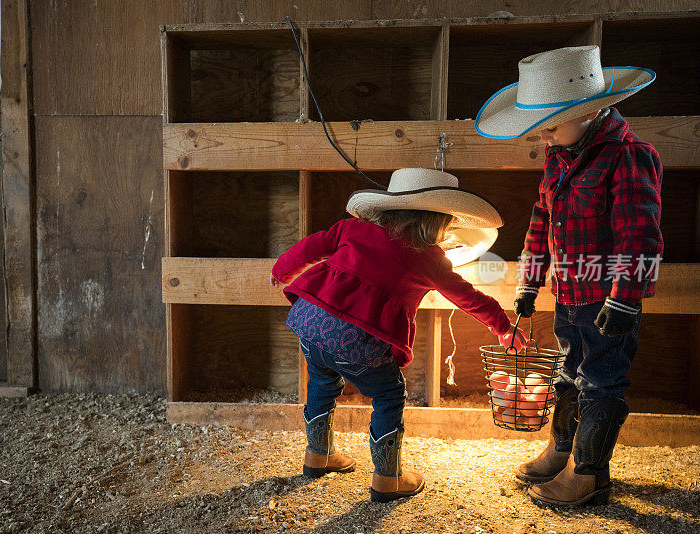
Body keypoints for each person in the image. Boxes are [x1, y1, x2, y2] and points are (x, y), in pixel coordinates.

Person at [475, 45, 662, 506]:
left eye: (553, 125)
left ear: (592, 110)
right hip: (570, 294)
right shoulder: (559, 156)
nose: (546, 136)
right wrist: (528, 284)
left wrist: (623, 301)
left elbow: (639, 236)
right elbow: (542, 223)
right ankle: (562, 450)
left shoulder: (629, 156)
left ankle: (589, 472)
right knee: (569, 373)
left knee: (601, 380)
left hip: (606, 298)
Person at [270, 168, 525, 502]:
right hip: (355, 338)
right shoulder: (431, 258)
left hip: (310, 319)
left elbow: (311, 246)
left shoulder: (353, 227)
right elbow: (468, 297)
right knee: (388, 394)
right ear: (439, 221)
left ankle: (318, 456)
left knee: (321, 382)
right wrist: (502, 326)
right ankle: (388, 479)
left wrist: (282, 270)